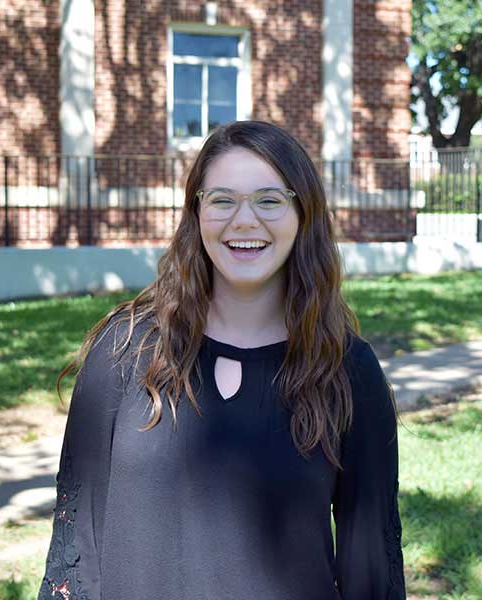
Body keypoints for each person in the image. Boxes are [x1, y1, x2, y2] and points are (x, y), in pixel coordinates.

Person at [37, 121, 405, 599]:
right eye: (223, 199)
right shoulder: (125, 350)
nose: (245, 221)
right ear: (197, 212)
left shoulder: (346, 371)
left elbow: (371, 567)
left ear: (303, 214)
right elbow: (75, 550)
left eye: (269, 200)